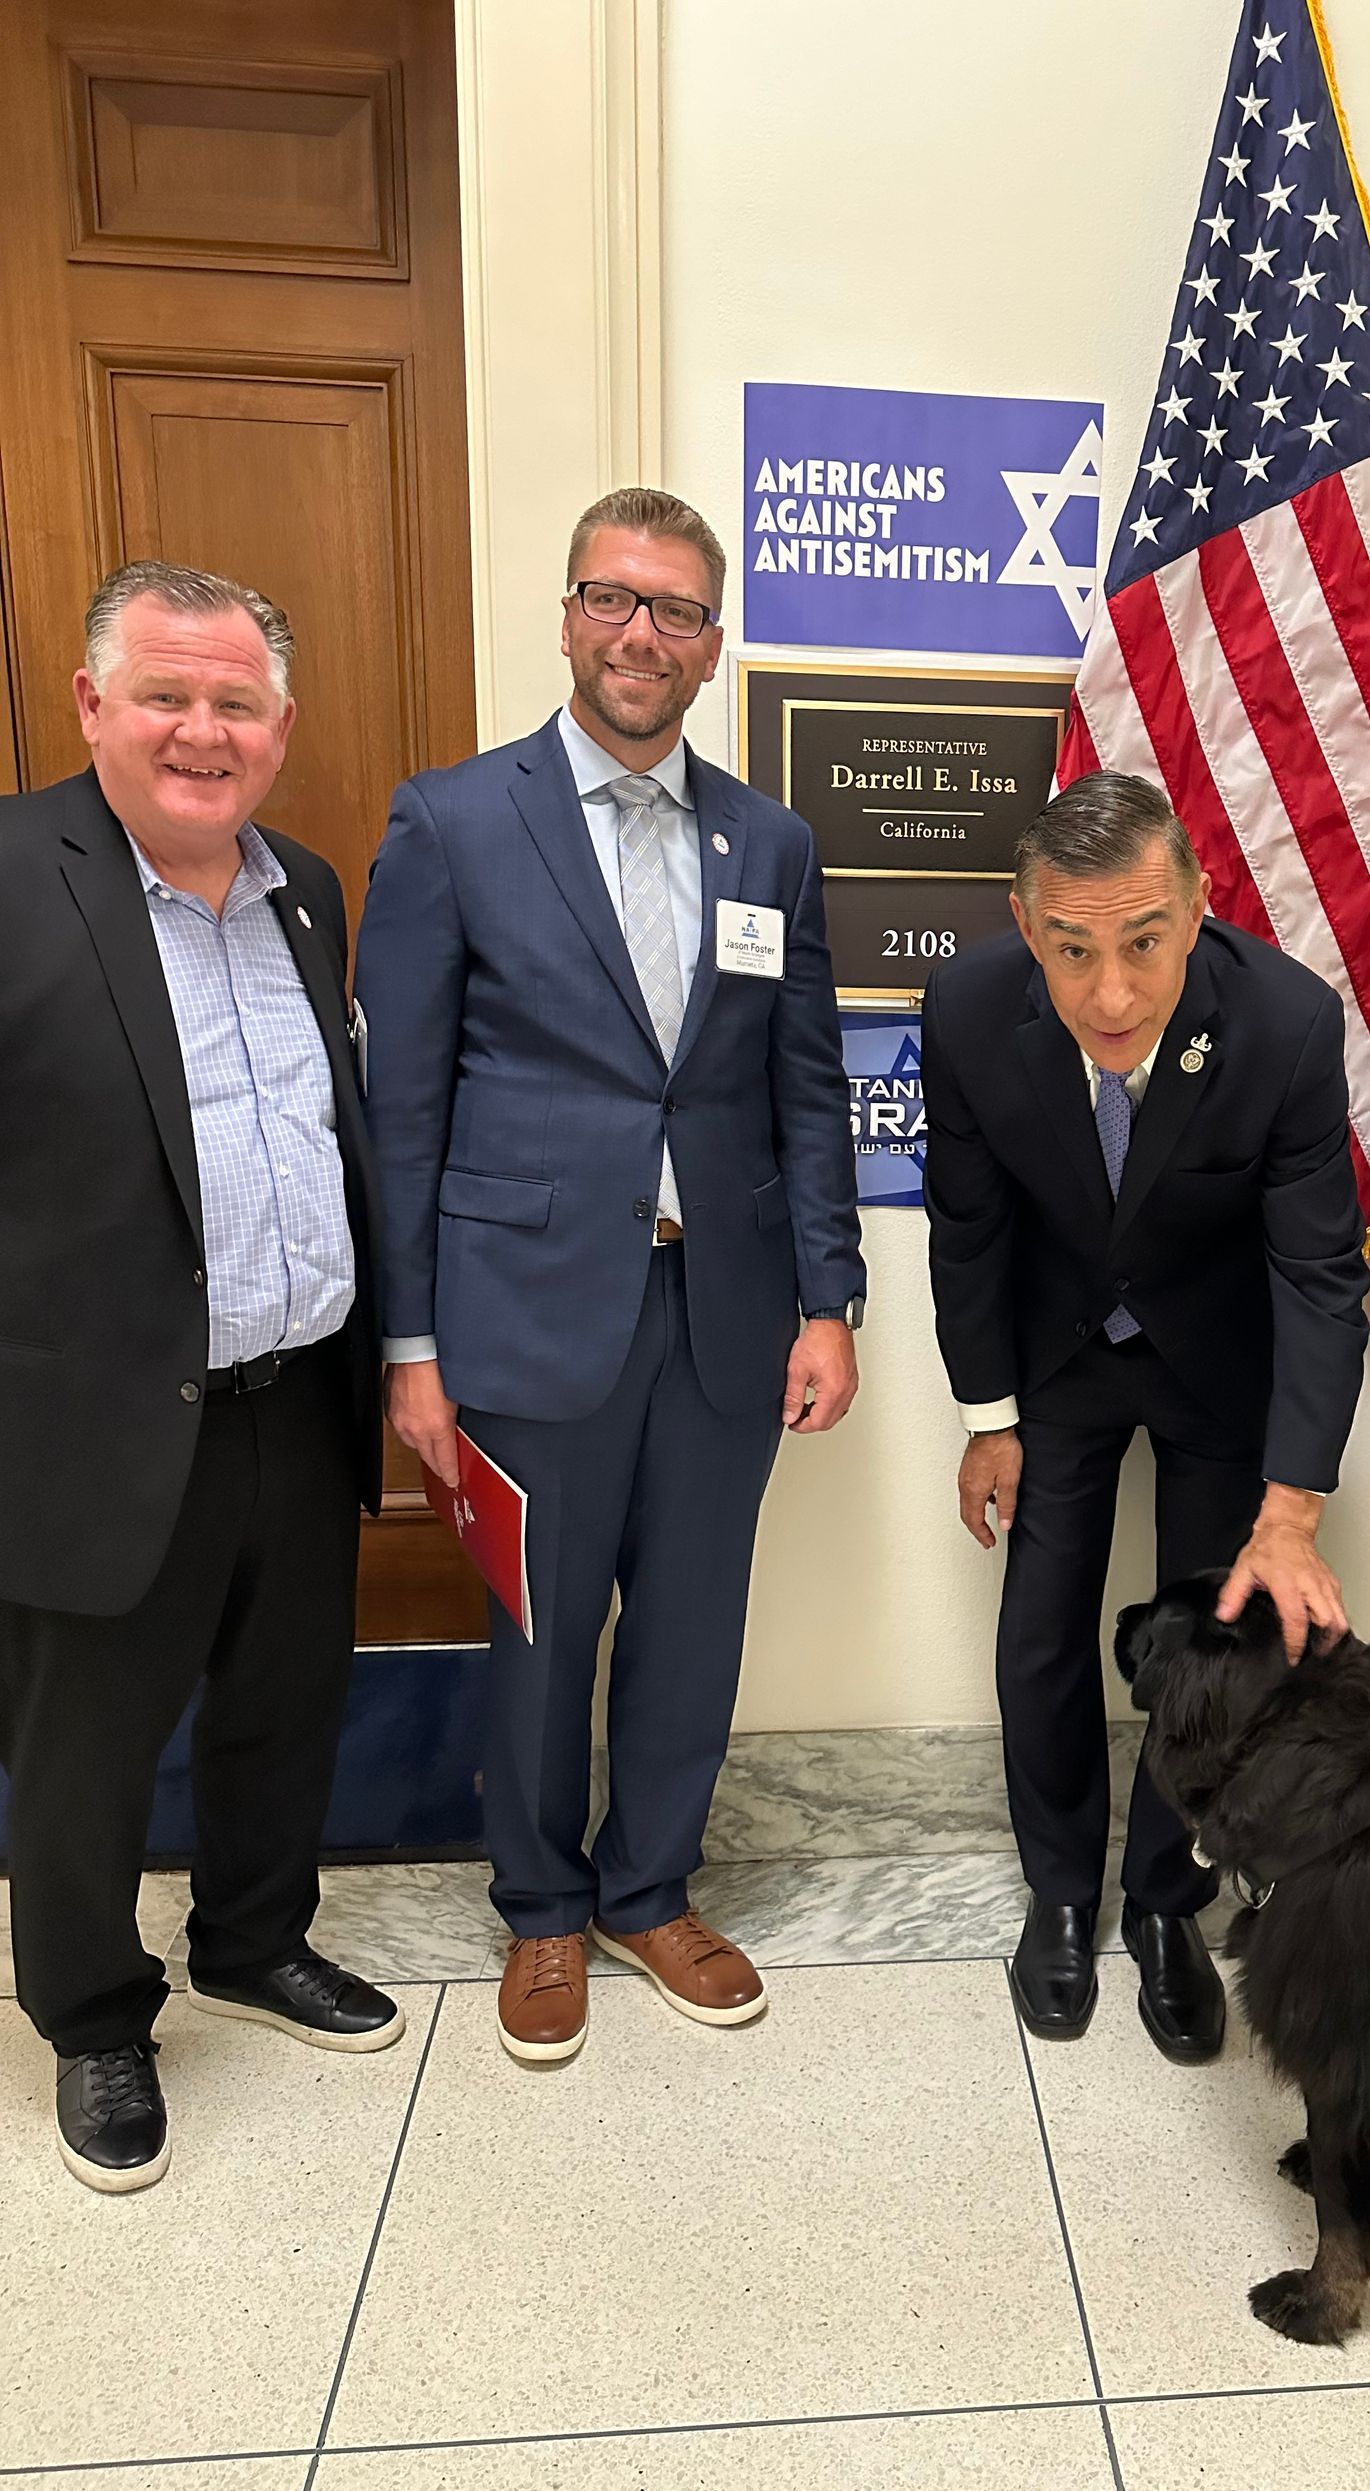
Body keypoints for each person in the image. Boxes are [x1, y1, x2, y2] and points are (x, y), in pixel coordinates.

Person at [356, 486, 864, 2065]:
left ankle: (651, 1892)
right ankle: (540, 1912)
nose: (642, 633)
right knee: (539, 1628)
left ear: (716, 647)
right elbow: (406, 1108)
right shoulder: (452, 820)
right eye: (612, 598)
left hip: (722, 1310)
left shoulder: (767, 841)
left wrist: (831, 1300)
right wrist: (412, 1345)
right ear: (568, 616)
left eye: (677, 610)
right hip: (520, 1311)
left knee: (692, 1625)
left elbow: (803, 1090)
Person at [0, 562, 401, 2196]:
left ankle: (252, 1937)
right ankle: (95, 2014)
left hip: (297, 1398)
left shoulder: (305, 884)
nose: (201, 729)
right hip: (98, 1420)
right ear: (92, 703)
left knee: (283, 1704)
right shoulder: (17, 876)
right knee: (87, 1748)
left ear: (282, 728)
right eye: (165, 693)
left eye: (235, 702)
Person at [920, 772, 1368, 2060]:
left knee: (1215, 1646)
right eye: (1069, 950)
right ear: (1023, 922)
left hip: (1215, 1365)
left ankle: (1169, 1901)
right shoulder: (964, 1007)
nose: (1109, 994)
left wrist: (1292, 1508)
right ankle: (1060, 1889)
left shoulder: (1283, 1021)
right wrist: (988, 1415)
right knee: (1043, 1624)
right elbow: (969, 1228)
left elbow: (1320, 1274)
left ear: (1195, 908)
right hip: (1055, 1363)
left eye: (1144, 943)